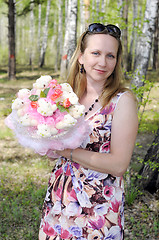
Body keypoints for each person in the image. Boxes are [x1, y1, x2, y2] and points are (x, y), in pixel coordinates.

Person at [39, 23, 138, 240]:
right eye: (96, 53)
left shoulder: (122, 101)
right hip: (59, 200)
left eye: (110, 56)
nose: (103, 62)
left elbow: (119, 165)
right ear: (81, 57)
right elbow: (54, 148)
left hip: (97, 210)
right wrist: (44, 141)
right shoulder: (67, 97)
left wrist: (65, 150)